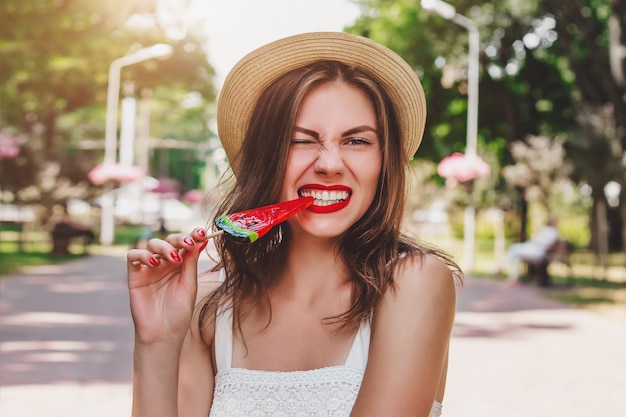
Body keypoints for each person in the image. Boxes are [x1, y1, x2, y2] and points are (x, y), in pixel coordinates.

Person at [127, 32, 462, 417]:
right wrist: (155, 343)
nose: (329, 164)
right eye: (301, 141)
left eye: (356, 141)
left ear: (384, 162)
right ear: (267, 159)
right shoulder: (209, 304)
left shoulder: (414, 283)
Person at [500, 216, 560, 284]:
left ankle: (502, 267)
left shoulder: (554, 232)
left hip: (539, 251)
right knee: (515, 252)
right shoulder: (544, 229)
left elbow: (549, 246)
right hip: (533, 247)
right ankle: (513, 278)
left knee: (514, 250)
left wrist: (542, 246)